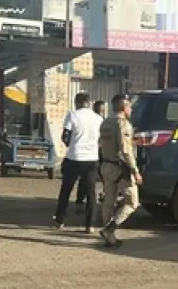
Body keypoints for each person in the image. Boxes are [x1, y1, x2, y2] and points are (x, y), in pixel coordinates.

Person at [54, 93, 103, 232]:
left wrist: (71, 144)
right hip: (92, 159)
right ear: (89, 102)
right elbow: (101, 139)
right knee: (91, 193)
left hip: (74, 157)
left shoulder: (72, 115)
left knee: (66, 190)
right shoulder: (98, 118)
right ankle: (90, 225)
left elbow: (65, 136)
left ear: (77, 102)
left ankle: (60, 220)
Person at [97, 94, 141, 248]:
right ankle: (110, 230)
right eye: (130, 107)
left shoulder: (105, 123)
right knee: (132, 202)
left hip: (105, 165)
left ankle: (109, 237)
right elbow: (126, 150)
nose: (131, 110)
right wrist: (135, 170)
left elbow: (101, 144)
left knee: (109, 201)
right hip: (119, 168)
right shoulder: (122, 124)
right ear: (124, 108)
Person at [75, 99, 109, 210]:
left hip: (97, 153)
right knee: (90, 178)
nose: (102, 111)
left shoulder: (102, 121)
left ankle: (83, 200)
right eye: (102, 108)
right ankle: (83, 200)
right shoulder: (98, 121)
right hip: (95, 153)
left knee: (89, 179)